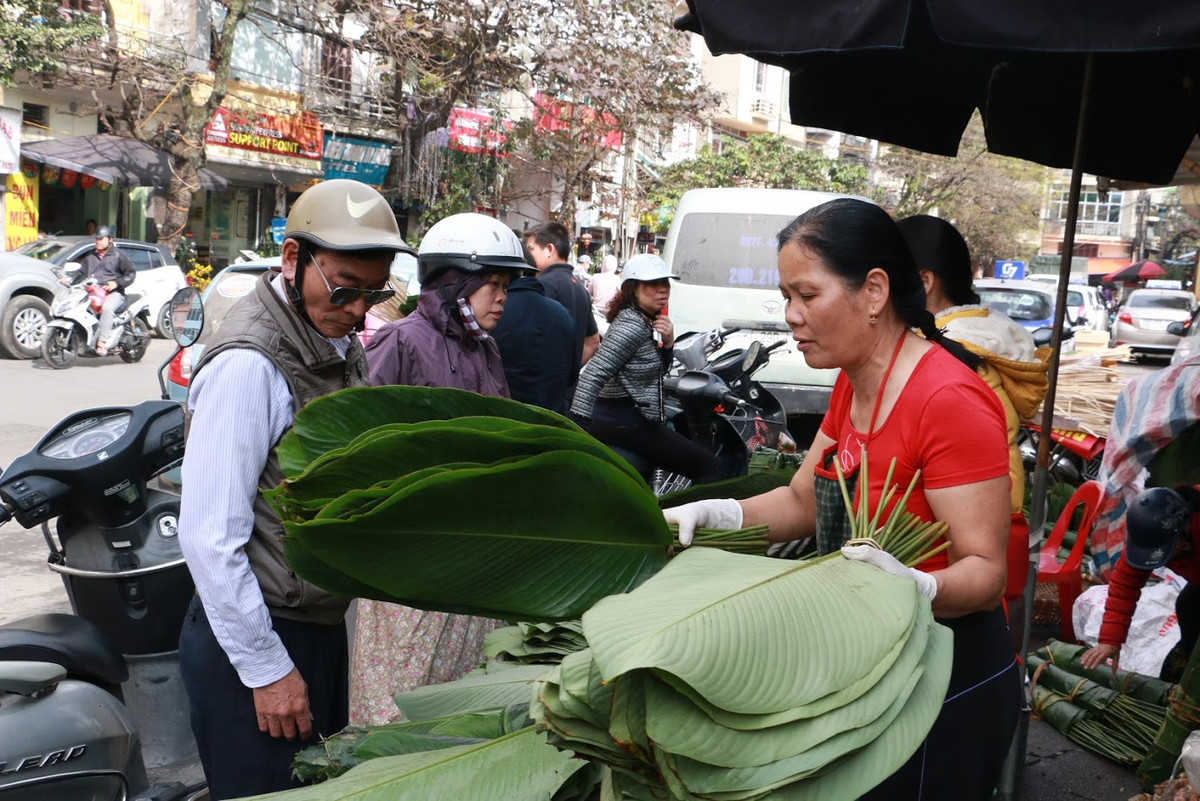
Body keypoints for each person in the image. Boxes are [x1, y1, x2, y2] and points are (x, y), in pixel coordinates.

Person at [665, 199, 1019, 800]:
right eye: (787, 297)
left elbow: (985, 573)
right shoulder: (852, 384)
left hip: (944, 676)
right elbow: (803, 502)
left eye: (807, 295)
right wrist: (716, 515)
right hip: (869, 664)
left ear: (874, 291)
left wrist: (915, 584)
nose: (791, 317)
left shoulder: (948, 400)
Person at [176, 179, 411, 800]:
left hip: (313, 628)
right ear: (292, 259)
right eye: (345, 289)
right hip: (258, 637)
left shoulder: (333, 334)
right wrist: (268, 669)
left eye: (374, 291)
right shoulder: (249, 365)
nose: (360, 309)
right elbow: (209, 538)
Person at [354, 212, 532, 725]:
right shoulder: (400, 341)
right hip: (412, 554)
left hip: (475, 551)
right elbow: (359, 445)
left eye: (505, 286)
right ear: (456, 283)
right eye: (492, 285)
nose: (501, 297)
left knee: (463, 698)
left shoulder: (486, 348)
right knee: (400, 698)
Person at [898, 214, 1050, 609]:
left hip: (973, 534)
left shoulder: (951, 354)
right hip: (998, 517)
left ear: (925, 281)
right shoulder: (984, 335)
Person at [569, 253, 719, 484]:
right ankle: (682, 518)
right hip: (623, 422)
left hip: (627, 420)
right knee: (709, 467)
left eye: (665, 283)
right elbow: (592, 375)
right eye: (653, 284)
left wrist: (668, 343)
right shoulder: (631, 327)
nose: (663, 290)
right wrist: (576, 431)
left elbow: (655, 373)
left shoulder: (641, 321)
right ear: (632, 289)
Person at [1081, 485, 1200, 681]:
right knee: (1188, 607)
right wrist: (1110, 641)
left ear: (1184, 529)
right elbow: (1124, 587)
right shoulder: (1151, 534)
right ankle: (1191, 673)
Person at [493, 255, 580, 413]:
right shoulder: (564, 314)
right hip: (552, 420)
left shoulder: (493, 313)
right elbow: (572, 373)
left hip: (504, 418)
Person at [524, 221, 600, 370]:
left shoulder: (541, 285)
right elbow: (593, 341)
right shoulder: (580, 288)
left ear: (549, 249)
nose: (527, 255)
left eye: (531, 249)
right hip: (565, 391)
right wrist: (567, 376)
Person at [69, 225, 135, 356]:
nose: (98, 241)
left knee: (107, 309)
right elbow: (81, 273)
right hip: (94, 292)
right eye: (96, 239)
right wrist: (69, 280)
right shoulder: (90, 257)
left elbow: (131, 274)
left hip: (114, 293)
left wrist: (116, 283)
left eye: (101, 239)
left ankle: (102, 342)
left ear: (110, 239)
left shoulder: (118, 256)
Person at [589, 254, 622, 334]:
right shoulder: (617, 279)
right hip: (611, 313)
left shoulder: (595, 277)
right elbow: (621, 294)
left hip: (596, 312)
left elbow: (589, 293)